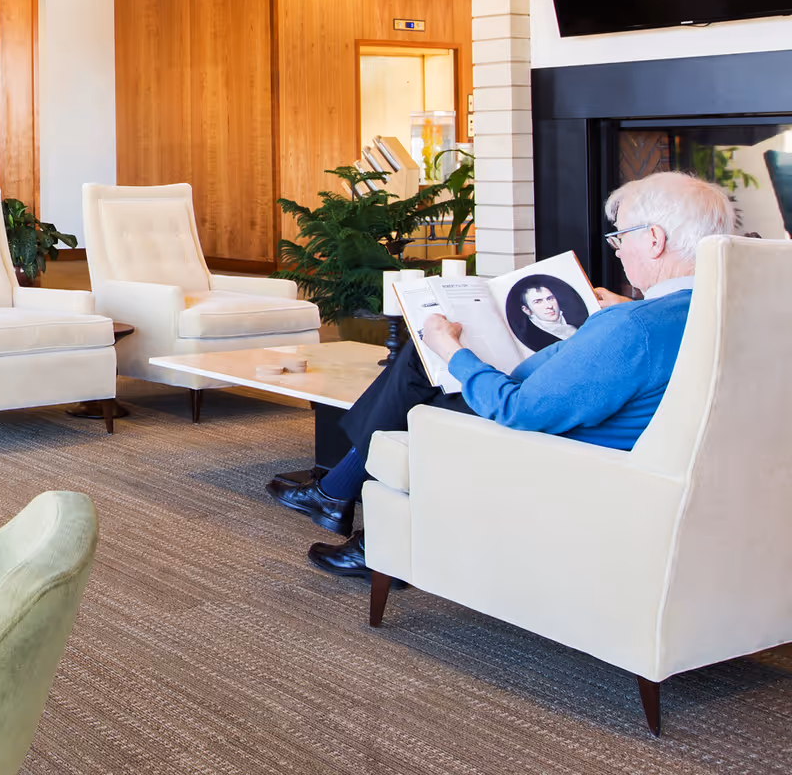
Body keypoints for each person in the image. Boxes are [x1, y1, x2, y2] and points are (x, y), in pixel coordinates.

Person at [266, 170, 733, 578]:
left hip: (555, 454)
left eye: (620, 238)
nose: (617, 252)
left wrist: (452, 350)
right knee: (422, 369)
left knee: (423, 379)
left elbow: (518, 411)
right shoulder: (720, 307)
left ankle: (358, 519)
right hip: (624, 446)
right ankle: (335, 495)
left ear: (654, 239)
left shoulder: (632, 329)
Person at [513, 281, 581, 350]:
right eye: (538, 302)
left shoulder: (576, 317)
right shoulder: (531, 338)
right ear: (526, 310)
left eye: (550, 299)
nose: (549, 306)